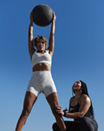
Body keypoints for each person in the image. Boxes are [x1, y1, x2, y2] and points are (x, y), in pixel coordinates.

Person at [15, 12, 66, 131]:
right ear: (36, 44)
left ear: (45, 44)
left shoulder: (50, 52)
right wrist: (31, 22)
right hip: (34, 82)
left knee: (57, 111)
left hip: (48, 81)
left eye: (43, 42)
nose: (41, 44)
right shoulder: (32, 52)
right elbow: (29, 35)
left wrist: (53, 22)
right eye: (38, 42)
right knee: (26, 111)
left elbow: (52, 35)